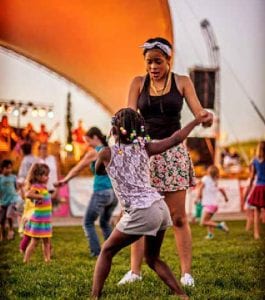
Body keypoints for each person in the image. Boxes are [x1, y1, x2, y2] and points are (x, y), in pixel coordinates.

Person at [119, 37, 213, 286]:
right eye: (149, 62)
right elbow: (129, 117)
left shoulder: (182, 82)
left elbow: (199, 112)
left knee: (178, 216)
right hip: (144, 154)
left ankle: (186, 274)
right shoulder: (138, 83)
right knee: (140, 214)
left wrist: (207, 118)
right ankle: (135, 272)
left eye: (158, 61)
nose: (153, 67)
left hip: (173, 154)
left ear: (168, 60)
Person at [91, 108, 207, 298]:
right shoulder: (145, 148)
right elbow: (176, 138)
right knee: (152, 258)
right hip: (160, 208)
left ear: (114, 129)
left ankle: (94, 297)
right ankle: (182, 295)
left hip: (140, 211)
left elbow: (99, 171)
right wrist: (196, 121)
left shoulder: (105, 153)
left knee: (106, 251)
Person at [55, 127, 117, 257]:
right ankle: (112, 251)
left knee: (88, 222)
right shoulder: (111, 151)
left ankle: (96, 252)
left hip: (101, 191)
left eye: (88, 141)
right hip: (113, 193)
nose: (87, 144)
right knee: (104, 222)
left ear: (95, 138)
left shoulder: (95, 152)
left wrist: (65, 180)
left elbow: (78, 168)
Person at [23, 163, 53, 263]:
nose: (47, 177)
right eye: (45, 175)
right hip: (39, 220)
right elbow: (28, 194)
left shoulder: (43, 187)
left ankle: (47, 260)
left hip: (46, 220)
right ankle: (26, 260)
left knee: (47, 241)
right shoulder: (36, 187)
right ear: (38, 176)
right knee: (34, 242)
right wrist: (38, 196)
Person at [197, 165, 229, 239]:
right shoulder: (216, 181)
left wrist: (198, 197)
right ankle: (210, 234)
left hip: (208, 204)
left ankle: (220, 225)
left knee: (203, 222)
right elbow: (222, 190)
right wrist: (226, 198)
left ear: (208, 172)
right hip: (214, 205)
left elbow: (200, 188)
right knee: (208, 220)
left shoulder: (205, 179)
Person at [244, 141, 265, 239]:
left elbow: (252, 177)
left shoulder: (255, 161)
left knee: (257, 212)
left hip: (258, 187)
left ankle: (256, 234)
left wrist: (248, 191)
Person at [0, 159, 20, 241]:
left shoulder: (13, 177)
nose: (9, 170)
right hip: (3, 201)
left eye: (10, 168)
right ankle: (3, 234)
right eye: (7, 168)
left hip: (12, 201)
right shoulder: (0, 178)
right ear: (2, 168)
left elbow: (16, 188)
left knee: (9, 215)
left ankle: (11, 230)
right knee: (1, 220)